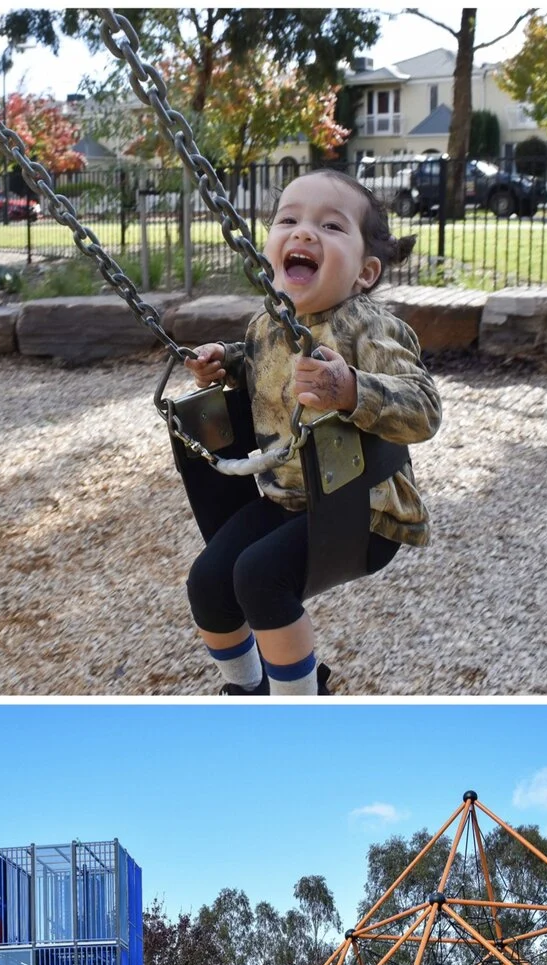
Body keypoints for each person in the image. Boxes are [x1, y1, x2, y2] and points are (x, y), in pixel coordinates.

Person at [184, 169, 439, 695]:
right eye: (289, 220)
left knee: (260, 578)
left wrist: (351, 390)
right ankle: (246, 689)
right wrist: (224, 363)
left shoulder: (369, 327)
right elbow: (260, 367)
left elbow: (425, 410)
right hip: (290, 500)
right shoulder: (266, 323)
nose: (303, 233)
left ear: (365, 273)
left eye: (330, 225)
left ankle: (298, 706)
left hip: (362, 511)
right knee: (208, 581)